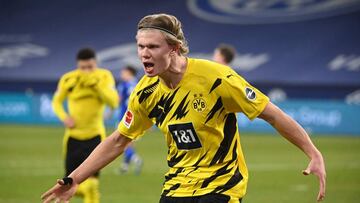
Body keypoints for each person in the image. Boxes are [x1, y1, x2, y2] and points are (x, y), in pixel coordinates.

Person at [42, 14, 326, 203]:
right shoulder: (145, 92)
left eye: (152, 46)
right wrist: (74, 179)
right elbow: (119, 139)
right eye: (140, 46)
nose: (143, 53)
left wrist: (313, 152)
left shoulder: (217, 78)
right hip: (177, 186)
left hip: (222, 185)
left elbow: (272, 114)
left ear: (174, 48)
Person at [51, 48, 119, 203]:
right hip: (73, 139)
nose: (87, 71)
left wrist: (97, 86)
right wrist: (64, 117)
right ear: (77, 65)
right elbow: (56, 101)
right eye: (83, 68)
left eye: (90, 67)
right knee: (68, 185)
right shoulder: (68, 79)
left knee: (91, 185)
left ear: (96, 63)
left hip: (95, 137)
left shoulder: (104, 76)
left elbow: (113, 102)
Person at [116, 66, 143, 175]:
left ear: (129, 73)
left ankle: (136, 160)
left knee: (123, 142)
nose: (122, 74)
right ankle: (125, 166)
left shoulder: (125, 85)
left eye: (123, 72)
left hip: (125, 117)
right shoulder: (139, 83)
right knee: (129, 142)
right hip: (135, 117)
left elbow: (119, 100)